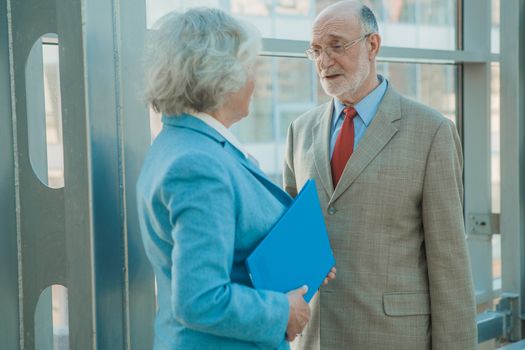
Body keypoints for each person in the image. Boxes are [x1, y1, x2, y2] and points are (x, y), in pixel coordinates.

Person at [136, 8, 335, 350]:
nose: (255, 81)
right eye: (249, 68)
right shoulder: (198, 165)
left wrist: (304, 262)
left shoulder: (186, 143)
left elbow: (234, 249)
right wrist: (282, 312)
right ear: (219, 77)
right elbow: (200, 298)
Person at [283, 1, 477, 349]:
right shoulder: (300, 130)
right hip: (316, 338)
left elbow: (449, 266)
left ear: (373, 45)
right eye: (315, 51)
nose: (324, 62)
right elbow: (289, 239)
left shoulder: (431, 132)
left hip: (394, 339)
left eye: (336, 46)